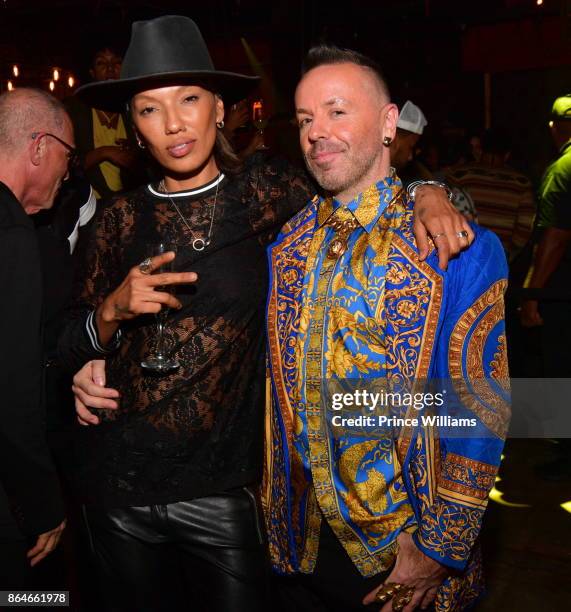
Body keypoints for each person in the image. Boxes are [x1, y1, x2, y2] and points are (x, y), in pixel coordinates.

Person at [63, 16, 472, 612]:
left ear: (221, 109)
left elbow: (357, 184)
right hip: (116, 487)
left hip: (228, 490)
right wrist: (102, 325)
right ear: (134, 126)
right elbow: (59, 340)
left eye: (189, 100)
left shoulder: (271, 192)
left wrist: (427, 189)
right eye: (150, 109)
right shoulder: (116, 219)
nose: (173, 122)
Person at [263, 45, 509, 611]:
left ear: (389, 123)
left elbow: (480, 410)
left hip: (402, 550)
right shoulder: (286, 246)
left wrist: (438, 549)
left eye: (337, 111)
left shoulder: (456, 249)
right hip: (298, 547)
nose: (316, 132)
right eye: (305, 120)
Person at [0, 88, 72, 587]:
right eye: (68, 156)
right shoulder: (11, 231)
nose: (68, 173)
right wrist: (43, 502)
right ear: (40, 147)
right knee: (34, 600)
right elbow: (12, 384)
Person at [520, 94, 571, 480]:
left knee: (560, 364)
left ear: (555, 127)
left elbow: (554, 237)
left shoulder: (561, 169)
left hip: (562, 290)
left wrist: (532, 294)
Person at [65, 45, 145, 200]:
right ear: (92, 73)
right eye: (101, 63)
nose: (110, 68)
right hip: (87, 206)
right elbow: (65, 166)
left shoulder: (135, 108)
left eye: (117, 62)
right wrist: (104, 152)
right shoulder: (75, 112)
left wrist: (135, 155)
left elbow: (148, 164)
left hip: (128, 202)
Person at [447, 128, 535, 261]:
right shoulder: (522, 184)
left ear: (480, 150)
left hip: (463, 256)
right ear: (507, 154)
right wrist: (507, 254)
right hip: (499, 258)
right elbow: (524, 229)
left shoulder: (459, 176)